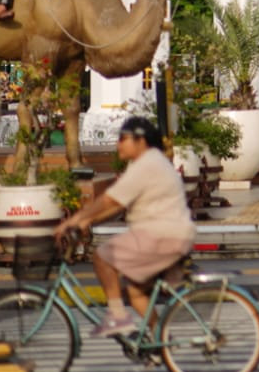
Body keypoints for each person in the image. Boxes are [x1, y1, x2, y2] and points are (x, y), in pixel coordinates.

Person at [53, 117, 194, 337]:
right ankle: (161, 338)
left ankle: (118, 317)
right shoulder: (148, 162)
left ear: (140, 141)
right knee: (135, 292)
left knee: (102, 257)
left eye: (123, 139)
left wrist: (73, 220)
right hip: (167, 234)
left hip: (161, 236)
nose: (118, 144)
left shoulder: (147, 164)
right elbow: (120, 204)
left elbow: (109, 199)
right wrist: (87, 221)